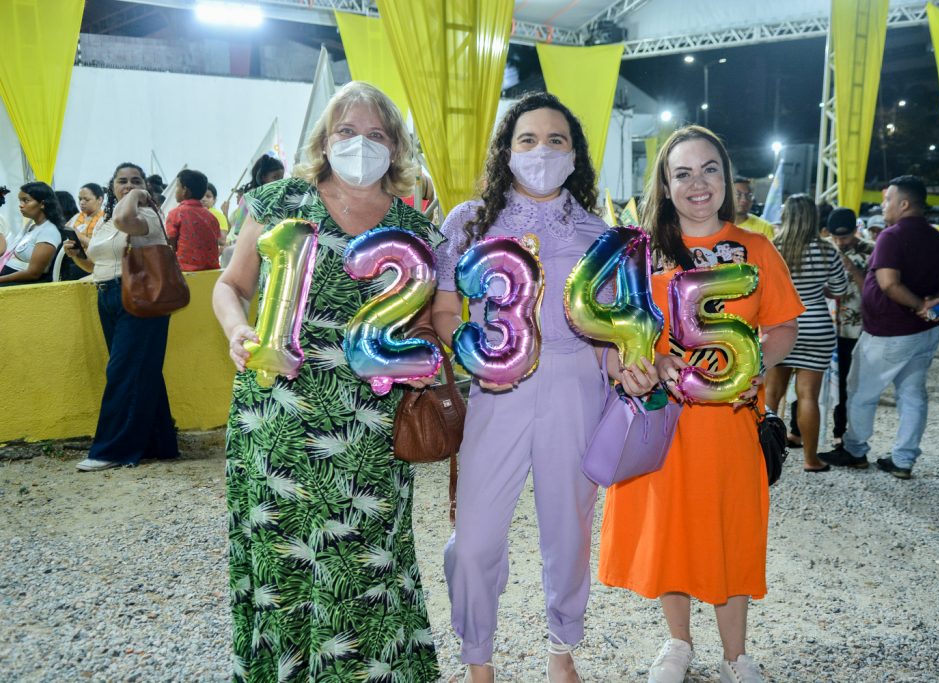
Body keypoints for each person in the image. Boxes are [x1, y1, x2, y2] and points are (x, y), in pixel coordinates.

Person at [212, 81, 442, 682]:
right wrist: (237, 330)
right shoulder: (277, 201)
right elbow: (229, 285)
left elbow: (424, 324)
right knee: (281, 553)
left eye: (375, 134)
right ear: (324, 139)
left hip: (368, 426)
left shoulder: (413, 229)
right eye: (346, 131)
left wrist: (427, 360)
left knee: (365, 560)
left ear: (395, 148)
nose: (359, 144)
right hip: (276, 416)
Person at [430, 92, 656, 683]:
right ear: (506, 151)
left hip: (576, 385)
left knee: (568, 529)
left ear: (575, 155)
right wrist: (477, 355)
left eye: (557, 140)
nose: (541, 151)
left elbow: (612, 326)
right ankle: (477, 656)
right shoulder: (467, 221)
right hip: (497, 389)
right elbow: (445, 310)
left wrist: (625, 363)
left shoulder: (598, 232)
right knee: (475, 539)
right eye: (527, 139)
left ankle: (562, 651)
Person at [598, 125, 803, 683]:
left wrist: (756, 358)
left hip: (731, 424)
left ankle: (736, 655)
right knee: (670, 533)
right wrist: (642, 362)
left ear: (727, 178)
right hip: (664, 425)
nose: (698, 183)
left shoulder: (756, 249)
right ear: (665, 184)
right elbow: (613, 339)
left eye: (709, 169)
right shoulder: (640, 254)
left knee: (730, 531)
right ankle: (678, 644)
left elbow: (783, 324)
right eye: (682, 172)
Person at [821, 176, 939, 479]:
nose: (883, 206)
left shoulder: (892, 236)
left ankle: (856, 449)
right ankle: (903, 459)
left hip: (889, 332)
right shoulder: (937, 238)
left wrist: (920, 306)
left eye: (887, 200)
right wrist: (938, 302)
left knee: (860, 392)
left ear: (904, 204)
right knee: (912, 395)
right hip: (924, 333)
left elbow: (888, 283)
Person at [61, 162, 180, 471]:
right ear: (110, 186)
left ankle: (113, 449)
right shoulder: (104, 223)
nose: (128, 185)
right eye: (122, 181)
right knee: (139, 369)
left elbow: (126, 217)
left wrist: (138, 194)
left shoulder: (146, 215)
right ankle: (160, 442)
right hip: (108, 295)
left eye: (135, 180)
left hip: (141, 298)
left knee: (123, 371)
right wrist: (77, 255)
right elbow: (97, 266)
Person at [764, 195, 847, 472]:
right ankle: (811, 459)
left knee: (771, 394)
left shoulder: (773, 248)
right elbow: (839, 289)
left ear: (786, 215)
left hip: (779, 325)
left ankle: (761, 456)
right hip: (816, 326)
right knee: (808, 395)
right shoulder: (827, 250)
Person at [825, 207, 874, 444]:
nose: (839, 242)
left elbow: (872, 293)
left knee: (846, 383)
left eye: (844, 237)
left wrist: (852, 269)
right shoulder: (823, 247)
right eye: (835, 237)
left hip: (853, 330)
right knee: (809, 382)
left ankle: (840, 432)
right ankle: (798, 429)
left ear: (856, 231)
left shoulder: (871, 251)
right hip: (822, 327)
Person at [0, 181, 63, 286]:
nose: (21, 206)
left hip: (21, 284)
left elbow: (33, 273)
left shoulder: (49, 231)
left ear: (42, 204)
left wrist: (1, 279)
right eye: (20, 201)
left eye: (26, 201)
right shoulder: (31, 225)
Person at [221, 153, 285, 245]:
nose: (280, 182)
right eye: (275, 177)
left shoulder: (280, 199)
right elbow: (239, 230)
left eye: (281, 178)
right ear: (263, 177)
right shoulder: (249, 198)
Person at [165, 169, 221, 271]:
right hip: (212, 268)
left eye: (177, 186)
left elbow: (171, 242)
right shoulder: (212, 217)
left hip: (185, 269)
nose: (175, 190)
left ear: (184, 190)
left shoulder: (175, 214)